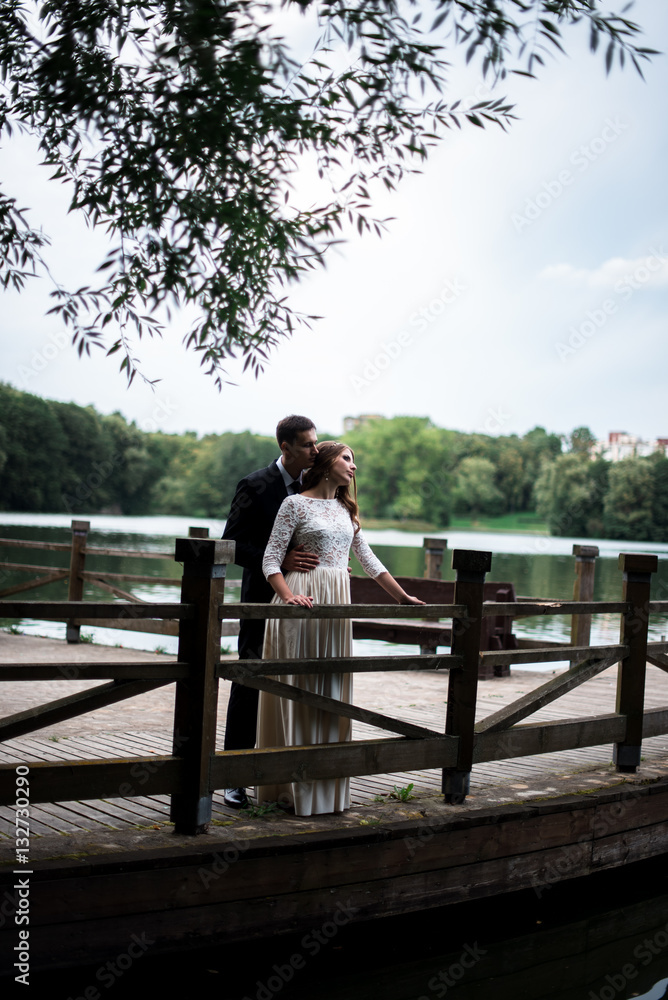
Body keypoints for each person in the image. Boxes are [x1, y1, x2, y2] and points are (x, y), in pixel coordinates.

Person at [256, 441, 425, 816]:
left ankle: (327, 791)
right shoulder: (294, 504)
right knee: (298, 689)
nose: (353, 466)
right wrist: (286, 597)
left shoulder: (345, 510)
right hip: (301, 599)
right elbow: (270, 559)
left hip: (336, 604)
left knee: (331, 688)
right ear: (327, 463)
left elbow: (368, 559)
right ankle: (291, 789)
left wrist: (402, 598)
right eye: (347, 458)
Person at [221, 415, 319, 809]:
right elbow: (230, 544)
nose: (315, 450)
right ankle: (234, 776)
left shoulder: (315, 484)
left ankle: (289, 774)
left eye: (315, 443)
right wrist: (276, 556)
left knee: (300, 679)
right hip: (261, 600)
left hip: (308, 600)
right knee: (250, 675)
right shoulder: (255, 484)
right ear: (286, 447)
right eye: (308, 444)